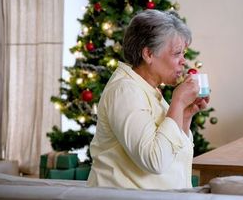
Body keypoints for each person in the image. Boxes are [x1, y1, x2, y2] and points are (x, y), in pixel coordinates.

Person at [87, 10, 209, 190]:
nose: (183, 61)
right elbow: (155, 161)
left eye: (183, 53)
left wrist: (184, 115)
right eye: (177, 53)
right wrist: (178, 103)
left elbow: (173, 154)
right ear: (149, 54)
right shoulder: (125, 91)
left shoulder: (149, 90)